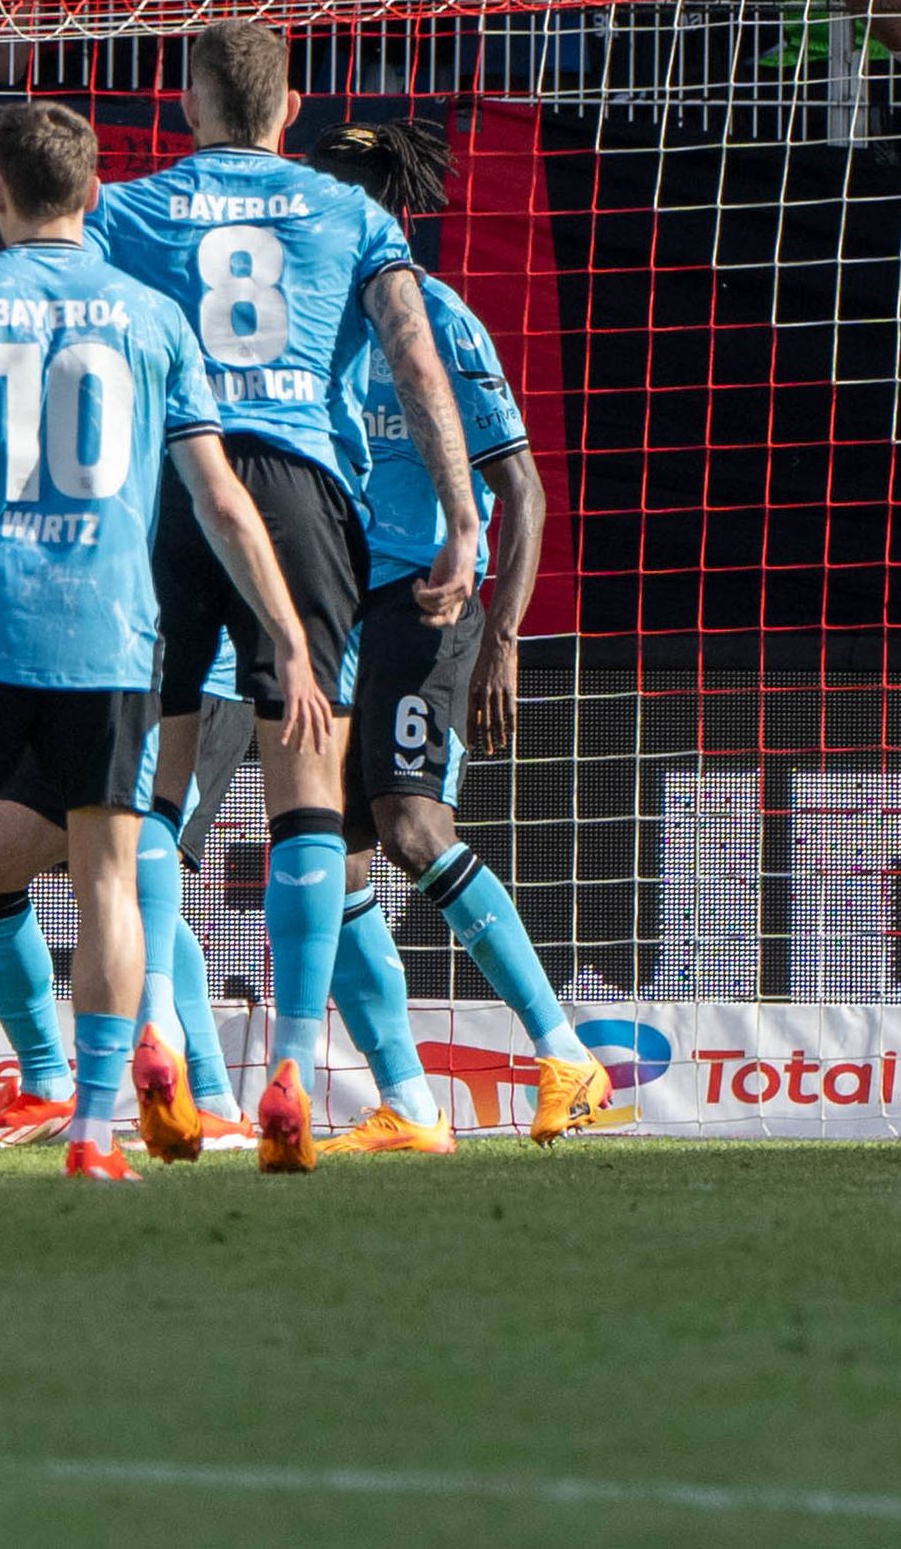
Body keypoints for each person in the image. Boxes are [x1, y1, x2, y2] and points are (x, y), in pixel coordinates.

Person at [0, 99, 320, 1187]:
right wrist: (289, 636)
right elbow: (222, 500)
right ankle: (92, 1126)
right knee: (106, 879)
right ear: (93, 196)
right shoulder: (151, 317)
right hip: (109, 630)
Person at [73, 22, 475, 1171]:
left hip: (171, 484)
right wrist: (457, 516)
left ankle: (152, 1020)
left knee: (154, 773)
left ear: (189, 102)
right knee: (306, 767)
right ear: (289, 105)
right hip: (300, 490)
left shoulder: (133, 209)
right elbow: (413, 357)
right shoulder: (349, 212)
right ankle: (291, 1068)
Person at [272, 120, 611, 1151]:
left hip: (424, 600)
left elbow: (525, 489)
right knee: (334, 854)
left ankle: (567, 1053)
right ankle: (412, 1104)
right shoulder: (304, 320)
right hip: (333, 603)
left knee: (411, 826)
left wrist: (500, 634)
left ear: (362, 204)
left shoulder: (440, 319)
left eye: (319, 191)